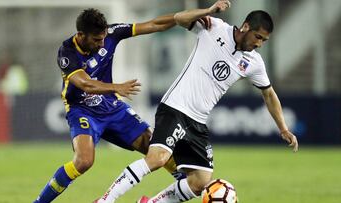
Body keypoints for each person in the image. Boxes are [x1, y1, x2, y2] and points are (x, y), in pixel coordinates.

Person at [97, 1, 299, 202]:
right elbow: (179, 19)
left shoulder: (254, 62)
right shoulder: (215, 28)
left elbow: (269, 94)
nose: (259, 44)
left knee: (200, 180)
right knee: (157, 159)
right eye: (258, 37)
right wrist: (209, 11)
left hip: (198, 121)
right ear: (246, 26)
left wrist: (283, 128)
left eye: (264, 40)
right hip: (176, 107)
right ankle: (106, 200)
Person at [33, 8, 182, 203]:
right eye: (96, 39)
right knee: (84, 161)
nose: (102, 43)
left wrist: (185, 18)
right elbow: (86, 84)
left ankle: (186, 183)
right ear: (81, 35)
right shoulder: (67, 52)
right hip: (81, 110)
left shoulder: (111, 33)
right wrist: (117, 87)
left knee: (155, 146)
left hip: (112, 107)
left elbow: (154, 24)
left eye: (103, 38)